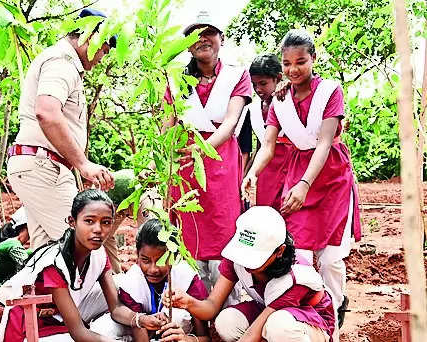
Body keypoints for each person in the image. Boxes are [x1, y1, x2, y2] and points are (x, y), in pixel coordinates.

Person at [242, 29, 361, 326]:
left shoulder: (329, 92)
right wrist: (253, 173)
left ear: (313, 59)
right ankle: (309, 317)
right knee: (302, 254)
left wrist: (305, 184)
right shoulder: (280, 100)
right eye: (287, 63)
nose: (293, 70)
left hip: (330, 176)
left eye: (301, 62)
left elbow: (324, 142)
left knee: (331, 257)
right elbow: (268, 145)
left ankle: (333, 313)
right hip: (298, 175)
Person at [6, 8, 119, 271]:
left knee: (48, 259)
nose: (103, 56)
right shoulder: (62, 63)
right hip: (44, 167)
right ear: (89, 35)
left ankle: (8, 302)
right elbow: (46, 112)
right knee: (88, 252)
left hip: (40, 166)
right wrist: (83, 163)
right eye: (104, 48)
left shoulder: (62, 62)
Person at [0, 189, 151, 341]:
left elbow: (116, 308)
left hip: (62, 317)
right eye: (89, 221)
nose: (98, 229)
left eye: (106, 222)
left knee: (123, 283)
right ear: (72, 221)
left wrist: (140, 320)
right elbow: (78, 332)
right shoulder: (54, 263)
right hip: (31, 326)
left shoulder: (99, 254)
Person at [165, 10, 252, 292]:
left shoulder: (237, 75)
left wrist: (200, 151)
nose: (202, 39)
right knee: (188, 232)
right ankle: (195, 309)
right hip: (185, 165)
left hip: (219, 162)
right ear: (187, 45)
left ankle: (226, 304)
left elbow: (230, 123)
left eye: (209, 33)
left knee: (224, 230)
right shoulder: (176, 78)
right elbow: (168, 123)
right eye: (195, 35)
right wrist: (167, 161)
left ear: (221, 39)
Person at [164, 206, 336, 342]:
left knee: (280, 328)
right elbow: (212, 306)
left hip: (310, 322)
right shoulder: (237, 259)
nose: (246, 263)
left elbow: (251, 336)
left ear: (279, 251)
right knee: (226, 322)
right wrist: (189, 302)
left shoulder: (295, 278)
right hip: (266, 313)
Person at [90, 218, 209, 342]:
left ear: (173, 256)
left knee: (177, 317)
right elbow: (139, 330)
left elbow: (205, 337)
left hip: (180, 336)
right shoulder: (131, 283)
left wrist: (187, 339)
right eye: (145, 260)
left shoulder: (186, 277)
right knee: (101, 329)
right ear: (137, 255)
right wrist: (143, 321)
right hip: (141, 332)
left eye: (161, 261)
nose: (153, 270)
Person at [246, 54, 288, 210]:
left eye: (263, 83)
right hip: (265, 169)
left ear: (278, 78)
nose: (258, 89)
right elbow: (259, 146)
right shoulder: (253, 110)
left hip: (290, 164)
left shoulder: (290, 100)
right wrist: (249, 173)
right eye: (254, 84)